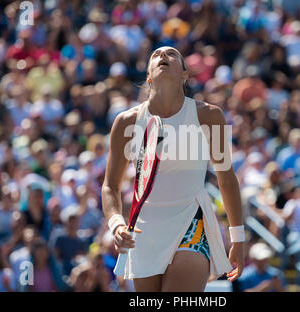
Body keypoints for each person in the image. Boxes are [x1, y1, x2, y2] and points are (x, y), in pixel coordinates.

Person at [102, 46, 244, 292]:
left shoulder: (209, 116)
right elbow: (110, 187)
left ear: (185, 75)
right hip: (144, 232)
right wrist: (116, 223)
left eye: (172, 54)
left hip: (192, 223)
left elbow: (227, 181)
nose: (163, 57)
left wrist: (238, 238)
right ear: (148, 76)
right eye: (156, 55)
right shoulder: (126, 122)